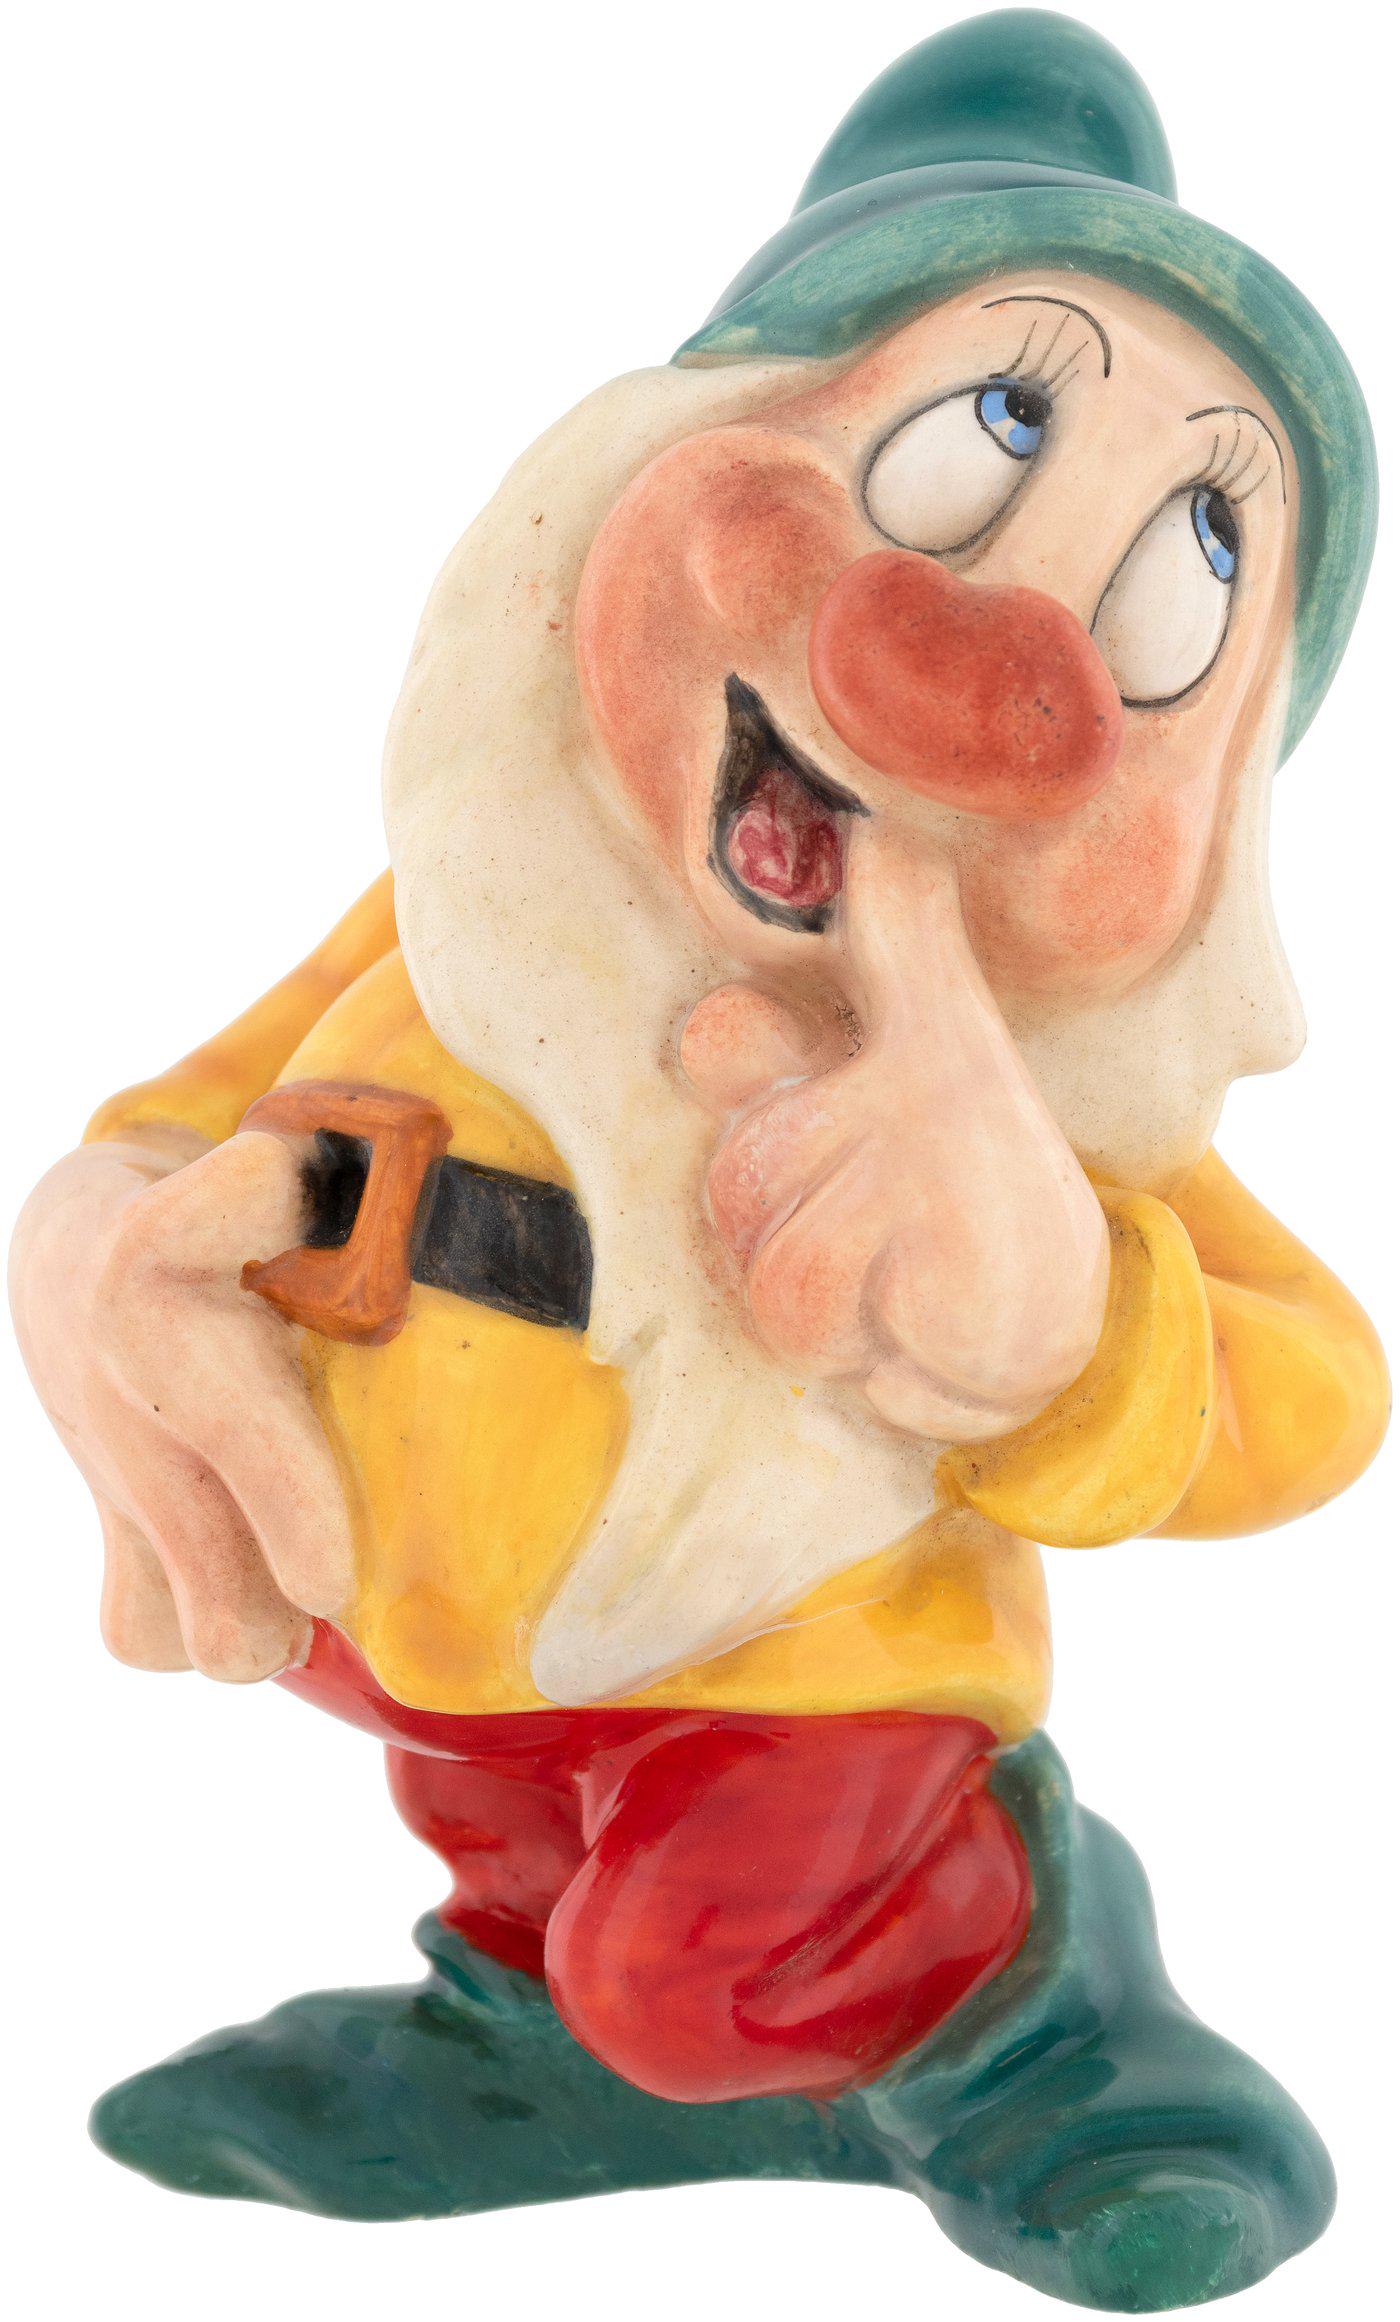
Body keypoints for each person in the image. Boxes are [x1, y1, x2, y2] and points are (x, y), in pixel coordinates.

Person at [10, 12, 1387, 2309]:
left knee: (714, 1953)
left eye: (1173, 591)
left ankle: (1026, 2011)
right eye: (970, 441)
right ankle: (535, 2032)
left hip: (798, 1671)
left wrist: (1063, 1317)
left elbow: (1315, 1386)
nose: (971, 659)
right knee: (521, 1855)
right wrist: (88, 1238)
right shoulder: (474, 900)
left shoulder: (1040, 1107)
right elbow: (191, 1109)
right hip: (423, 1617)